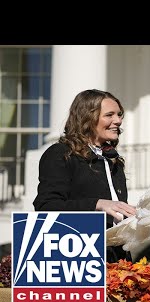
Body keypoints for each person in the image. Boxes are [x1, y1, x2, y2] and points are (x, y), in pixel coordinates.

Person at [33, 89, 137, 263]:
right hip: (77, 258)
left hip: (116, 258)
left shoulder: (113, 159)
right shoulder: (60, 153)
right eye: (109, 115)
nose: (118, 121)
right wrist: (97, 204)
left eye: (119, 115)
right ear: (87, 118)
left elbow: (113, 210)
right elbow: (46, 206)